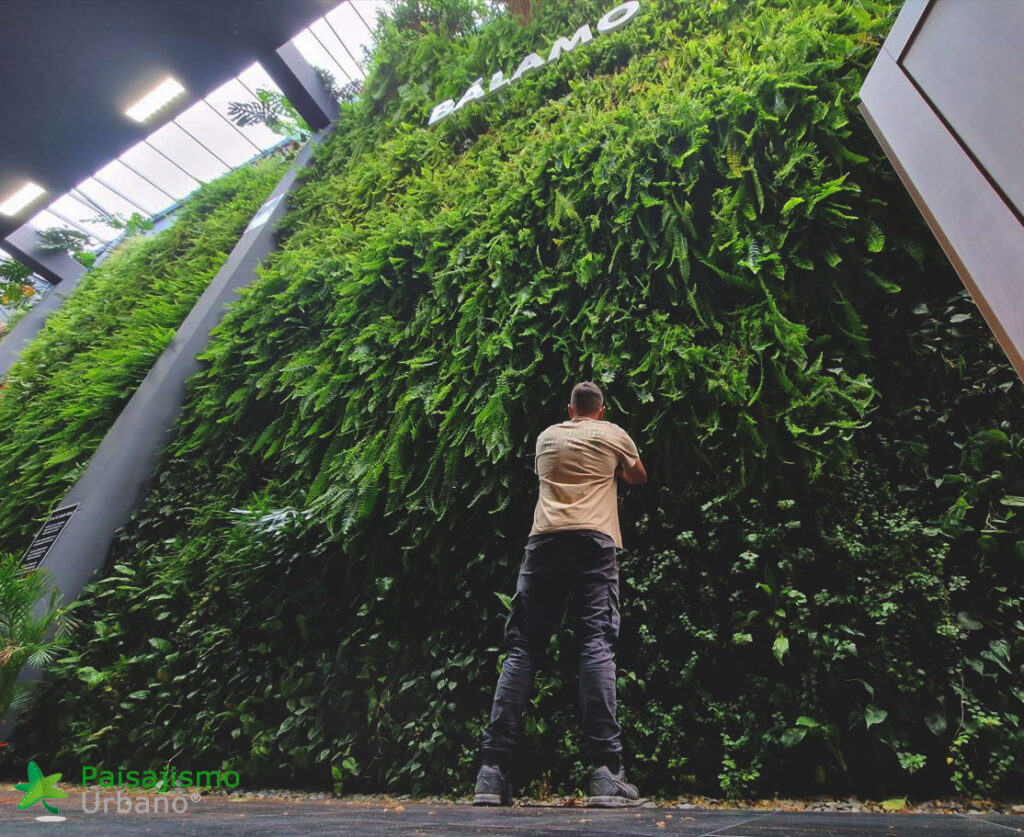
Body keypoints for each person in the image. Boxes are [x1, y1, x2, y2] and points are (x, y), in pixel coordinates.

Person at [473, 381, 647, 808]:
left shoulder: (547, 437)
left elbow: (549, 476)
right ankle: (606, 773)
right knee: (595, 647)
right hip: (595, 543)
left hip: (545, 541)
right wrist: (614, 469)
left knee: (523, 650)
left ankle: (491, 774)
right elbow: (637, 477)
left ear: (570, 409)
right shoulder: (613, 434)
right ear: (600, 411)